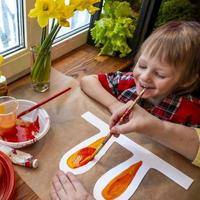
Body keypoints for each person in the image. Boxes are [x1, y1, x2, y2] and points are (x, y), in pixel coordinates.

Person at [50, 21, 200, 199]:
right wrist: (115, 105)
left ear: (185, 81)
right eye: (142, 66)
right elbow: (87, 81)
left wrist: (159, 128)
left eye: (159, 74)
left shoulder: (191, 111)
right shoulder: (128, 82)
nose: (144, 77)